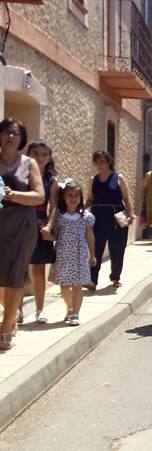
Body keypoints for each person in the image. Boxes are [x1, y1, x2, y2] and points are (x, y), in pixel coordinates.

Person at [0, 118, 44, 350]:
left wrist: (13, 195)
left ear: (21, 139)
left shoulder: (29, 163)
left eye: (15, 134)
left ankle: (6, 329)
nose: (10, 137)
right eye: (6, 132)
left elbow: (39, 196)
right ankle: (10, 317)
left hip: (21, 225)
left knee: (15, 275)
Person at [46, 180, 95, 326]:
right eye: (70, 195)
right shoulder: (60, 217)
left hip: (80, 255)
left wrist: (92, 254)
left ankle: (75, 313)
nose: (73, 199)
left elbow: (90, 236)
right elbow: (56, 235)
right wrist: (49, 236)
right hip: (63, 255)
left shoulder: (86, 216)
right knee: (64, 285)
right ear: (64, 197)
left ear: (80, 198)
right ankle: (69, 307)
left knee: (77, 285)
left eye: (76, 196)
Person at [88, 151, 135, 291]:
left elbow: (126, 198)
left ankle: (115, 277)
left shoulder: (118, 178)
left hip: (116, 216)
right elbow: (90, 198)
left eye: (102, 161)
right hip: (98, 216)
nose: (99, 164)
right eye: (97, 161)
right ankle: (92, 280)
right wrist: (78, 209)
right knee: (96, 248)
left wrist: (131, 214)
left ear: (109, 162)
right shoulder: (93, 179)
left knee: (117, 249)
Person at [26, 140, 59, 324]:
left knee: (39, 269)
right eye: (36, 153)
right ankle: (16, 310)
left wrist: (49, 226)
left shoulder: (51, 180)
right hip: (20, 223)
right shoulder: (20, 174)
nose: (40, 158)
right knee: (18, 269)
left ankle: (40, 309)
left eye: (44, 154)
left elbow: (53, 207)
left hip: (40, 224)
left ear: (49, 157)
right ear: (28, 153)